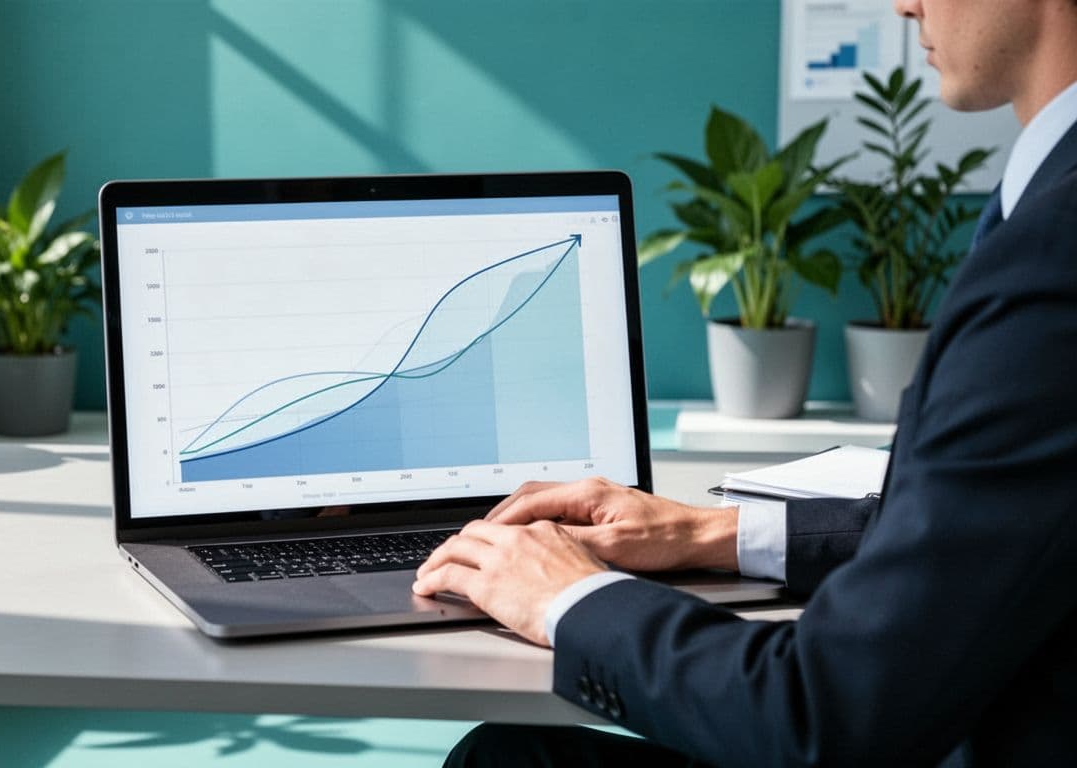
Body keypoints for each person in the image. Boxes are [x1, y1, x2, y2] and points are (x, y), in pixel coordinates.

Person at [413, 0, 1077, 764]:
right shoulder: (1044, 202)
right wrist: (709, 533)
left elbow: (826, 716)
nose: (904, 3)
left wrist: (566, 597)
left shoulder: (1055, 252)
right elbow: (992, 524)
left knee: (510, 761)